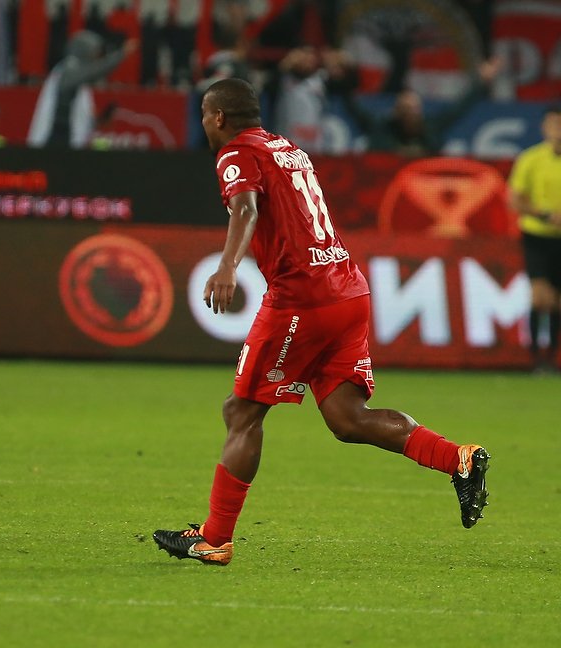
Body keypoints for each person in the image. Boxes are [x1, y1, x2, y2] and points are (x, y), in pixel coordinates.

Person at [152, 78, 490, 566]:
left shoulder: (236, 152)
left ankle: (215, 537)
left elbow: (245, 207)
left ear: (219, 117)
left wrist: (227, 266)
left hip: (302, 298)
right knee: (347, 419)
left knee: (241, 413)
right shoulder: (288, 148)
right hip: (347, 288)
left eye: (205, 115)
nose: (204, 124)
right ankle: (458, 459)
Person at [340, 59, 500, 157]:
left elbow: (460, 108)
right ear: (398, 113)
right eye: (407, 110)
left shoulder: (431, 127)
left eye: (416, 109)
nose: (413, 114)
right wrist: (341, 78)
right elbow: (353, 109)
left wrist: (481, 82)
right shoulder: (381, 128)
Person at [508, 105, 561, 373]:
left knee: (557, 301)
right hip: (537, 236)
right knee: (540, 297)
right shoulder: (531, 159)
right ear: (544, 128)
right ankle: (535, 357)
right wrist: (544, 214)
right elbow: (514, 200)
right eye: (554, 125)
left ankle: (550, 358)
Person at [27, 31, 138, 149]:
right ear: (84, 51)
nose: (95, 59)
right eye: (94, 53)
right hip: (52, 138)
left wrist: (100, 120)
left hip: (68, 139)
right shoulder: (67, 70)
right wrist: (122, 53)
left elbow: (80, 118)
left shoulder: (81, 82)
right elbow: (95, 71)